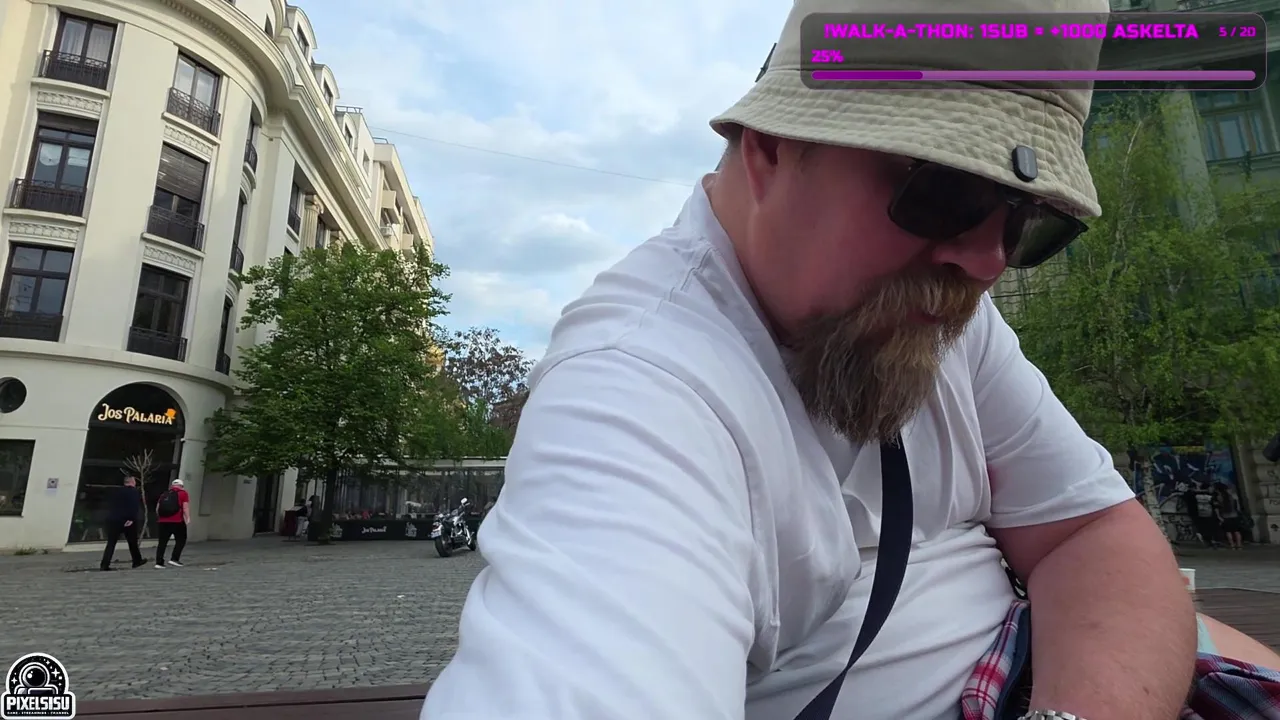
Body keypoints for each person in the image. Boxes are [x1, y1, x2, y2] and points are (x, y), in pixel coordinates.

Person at [423, 0, 1280, 717]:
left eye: (1025, 219)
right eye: (945, 191)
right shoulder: (639, 386)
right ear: (770, 146)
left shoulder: (932, 309)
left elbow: (1091, 531)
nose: (986, 261)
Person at [99, 476, 147, 571]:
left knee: (111, 543)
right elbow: (134, 506)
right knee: (132, 542)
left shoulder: (117, 492)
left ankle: (104, 564)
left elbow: (111, 504)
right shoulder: (133, 492)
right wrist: (131, 518)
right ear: (132, 482)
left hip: (114, 519)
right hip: (127, 520)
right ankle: (137, 560)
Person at [155, 478, 190, 568]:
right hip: (177, 521)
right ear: (181, 486)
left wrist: (160, 517)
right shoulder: (183, 493)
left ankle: (159, 562)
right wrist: (187, 518)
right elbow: (185, 507)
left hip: (163, 522)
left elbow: (157, 508)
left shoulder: (164, 494)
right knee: (181, 540)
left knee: (162, 542)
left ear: (172, 486)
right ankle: (174, 559)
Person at [1183, 480, 1220, 548]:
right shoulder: (1210, 495)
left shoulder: (1195, 495)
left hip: (1200, 513)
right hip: (1209, 514)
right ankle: (1212, 541)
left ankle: (1206, 540)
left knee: (1203, 528)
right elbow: (1215, 505)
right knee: (1210, 528)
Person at [1215, 482, 1244, 549]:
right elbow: (1238, 507)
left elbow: (1217, 507)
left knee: (1228, 532)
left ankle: (1232, 544)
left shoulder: (1219, 497)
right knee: (1237, 531)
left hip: (1225, 516)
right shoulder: (1234, 496)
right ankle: (1239, 544)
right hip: (1235, 515)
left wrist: (1219, 516)